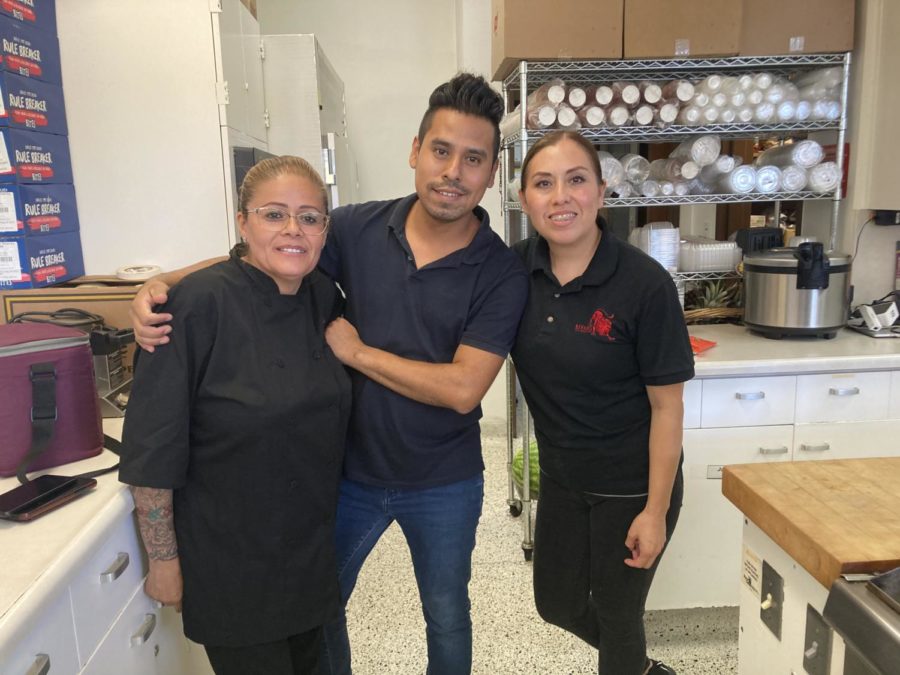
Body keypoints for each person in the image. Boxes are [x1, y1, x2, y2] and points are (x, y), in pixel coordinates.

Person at [128, 73, 529, 675]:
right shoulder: (359, 227)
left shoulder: (499, 271)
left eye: (473, 159)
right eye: (441, 151)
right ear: (415, 150)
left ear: (492, 172)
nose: (453, 171)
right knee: (324, 609)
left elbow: (463, 388)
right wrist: (164, 284)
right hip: (349, 474)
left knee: (446, 614)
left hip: (443, 478)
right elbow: (277, 245)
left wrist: (359, 353)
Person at [119, 156, 352, 675]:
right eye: (274, 215)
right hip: (230, 566)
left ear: (324, 231)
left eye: (310, 217)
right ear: (243, 223)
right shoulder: (193, 306)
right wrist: (163, 560)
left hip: (308, 557)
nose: (294, 229)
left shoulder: (322, 298)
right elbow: (153, 443)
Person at [512, 130, 694, 675]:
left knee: (618, 615)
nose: (560, 197)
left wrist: (655, 512)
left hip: (632, 486)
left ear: (602, 191)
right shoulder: (512, 271)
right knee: (556, 604)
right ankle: (640, 668)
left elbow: (668, 408)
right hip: (565, 482)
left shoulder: (643, 284)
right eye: (543, 184)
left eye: (576, 180)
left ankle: (628, 663)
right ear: (524, 200)